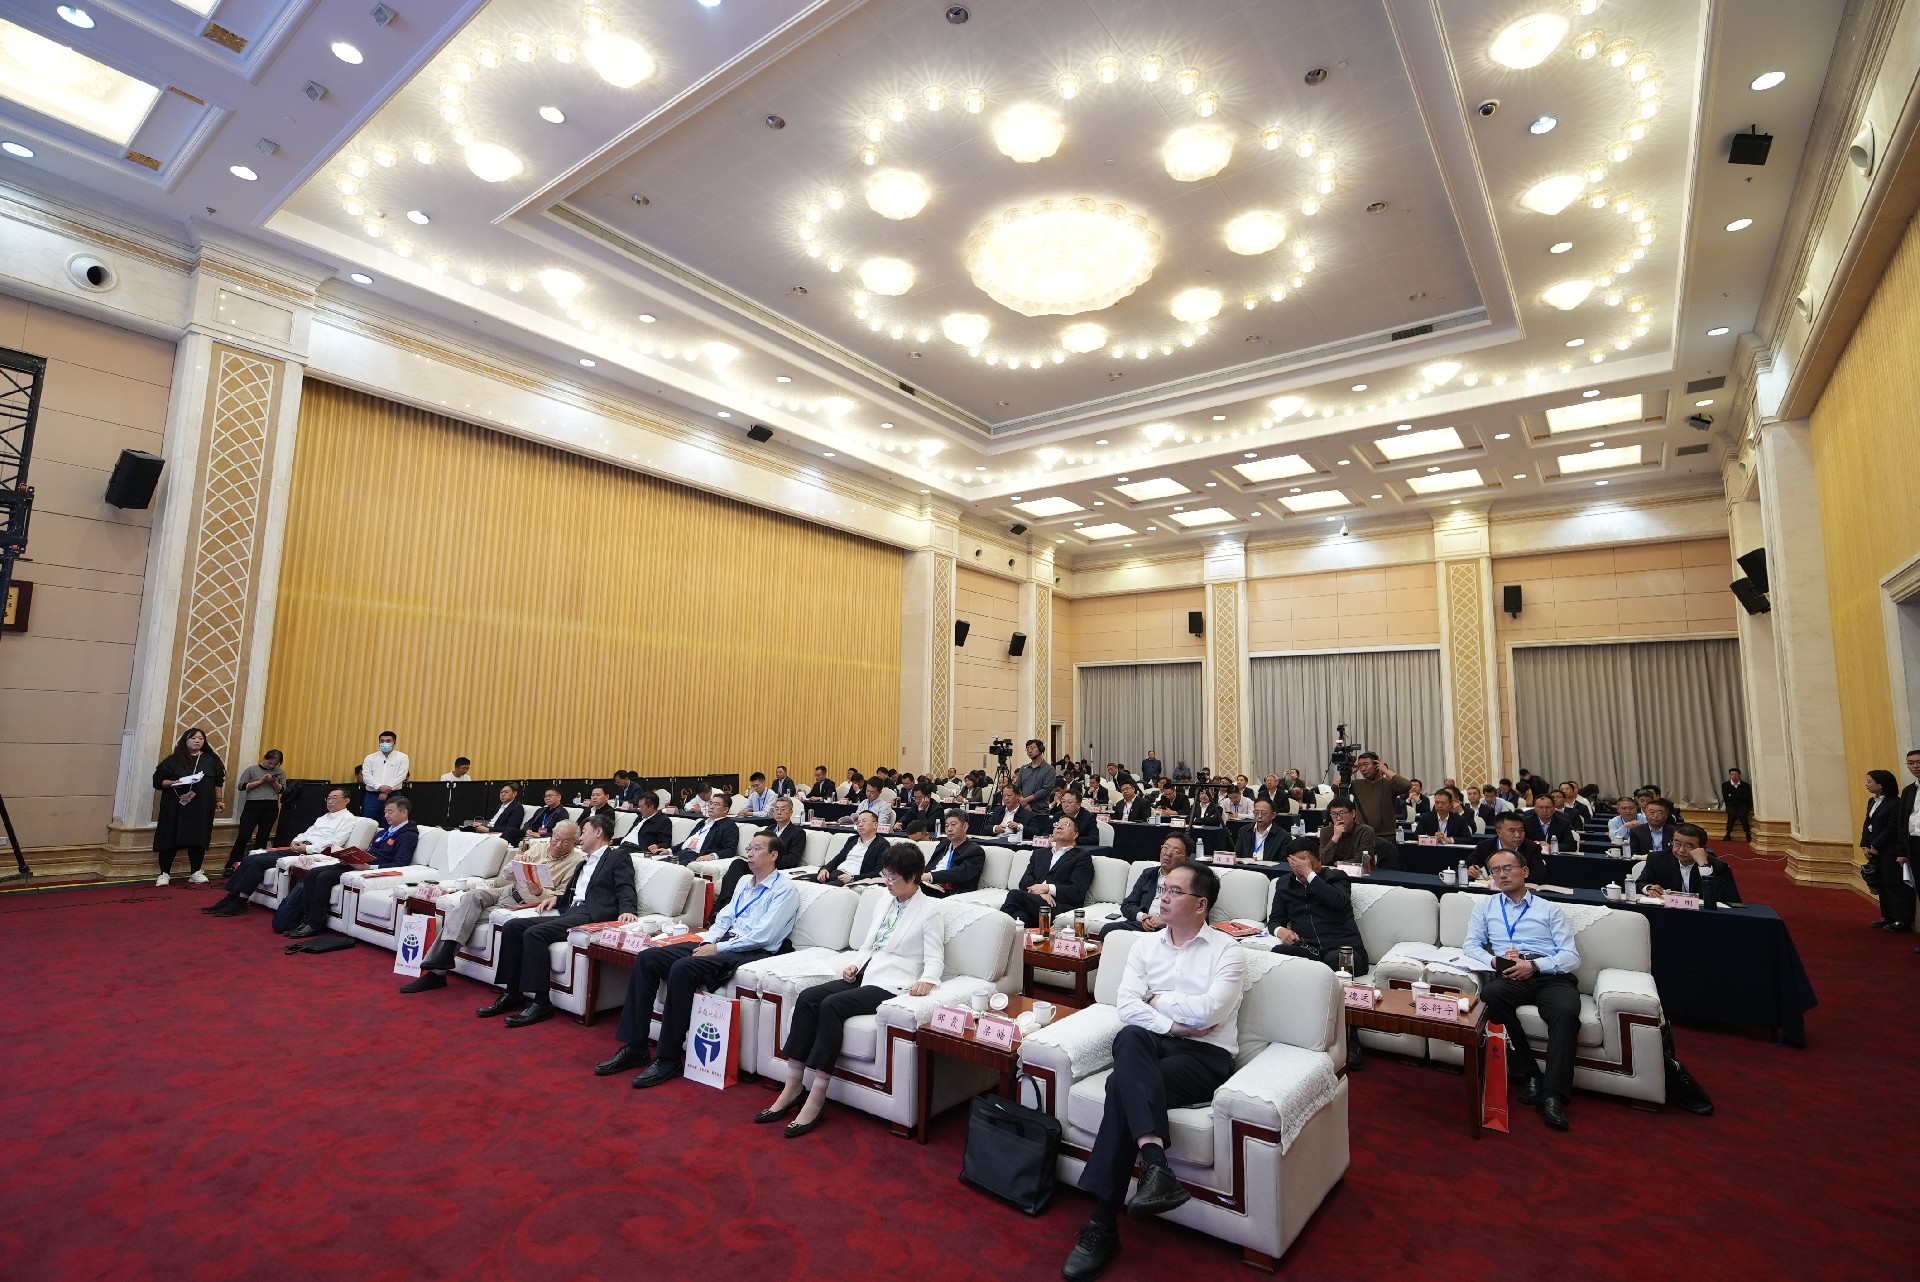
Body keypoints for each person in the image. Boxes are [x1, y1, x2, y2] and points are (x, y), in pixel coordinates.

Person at [1060, 863, 1243, 1281]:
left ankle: (1103, 1222)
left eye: (1175, 891)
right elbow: (1126, 1006)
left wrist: (1157, 1001)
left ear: (1201, 904)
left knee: (1120, 1083)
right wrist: (1173, 1024)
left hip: (1205, 1056)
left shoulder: (1227, 951)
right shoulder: (1144, 947)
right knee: (1128, 1037)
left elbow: (1209, 1012)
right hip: (1156, 1042)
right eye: (1164, 889)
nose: (1163, 897)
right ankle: (1155, 1166)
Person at [761, 842, 945, 1136]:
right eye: (885, 875)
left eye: (893, 878)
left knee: (832, 1005)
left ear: (913, 877)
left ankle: (817, 1096)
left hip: (893, 983)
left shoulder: (929, 911)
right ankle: (793, 1086)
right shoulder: (884, 900)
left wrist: (929, 980)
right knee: (808, 997)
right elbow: (870, 945)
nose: (887, 883)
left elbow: (935, 957)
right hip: (866, 972)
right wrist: (854, 965)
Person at [601, 831, 801, 1088]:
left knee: (682, 968)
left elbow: (764, 936)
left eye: (757, 849)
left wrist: (718, 948)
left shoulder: (785, 890)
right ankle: (635, 1046)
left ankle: (668, 1058)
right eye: (749, 848)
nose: (750, 853)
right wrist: (709, 942)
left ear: (773, 855)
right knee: (648, 958)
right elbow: (725, 918)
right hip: (723, 942)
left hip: (751, 950)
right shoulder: (744, 882)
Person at [1462, 848, 1582, 1132]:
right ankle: (1529, 1073)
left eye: (1508, 868)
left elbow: (1571, 957)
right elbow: (1471, 945)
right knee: (1491, 996)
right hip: (1508, 973)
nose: (1502, 875)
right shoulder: (1486, 907)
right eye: (1495, 871)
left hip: (1548, 974)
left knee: (1565, 1011)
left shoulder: (1549, 909)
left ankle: (1552, 1095)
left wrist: (1535, 966)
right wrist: (1494, 961)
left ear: (1525, 872)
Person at [479, 814, 638, 1025]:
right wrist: (556, 899)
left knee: (535, 934)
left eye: (585, 832)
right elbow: (576, 893)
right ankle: (512, 993)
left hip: (592, 914)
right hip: (571, 911)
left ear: (598, 832)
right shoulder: (584, 862)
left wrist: (628, 910)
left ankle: (541, 1003)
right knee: (513, 927)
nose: (581, 837)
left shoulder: (617, 856)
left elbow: (625, 886)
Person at [402, 820, 586, 992]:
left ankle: (437, 970)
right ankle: (444, 958)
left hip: (525, 903)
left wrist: (540, 892)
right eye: (556, 838)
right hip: (508, 890)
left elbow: (562, 898)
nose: (558, 844)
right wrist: (515, 864)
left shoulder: (577, 862)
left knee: (461, 915)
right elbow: (505, 876)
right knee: (472, 896)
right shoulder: (539, 847)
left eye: (565, 842)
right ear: (552, 835)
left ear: (575, 842)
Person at [204, 785, 360, 917]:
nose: (330, 801)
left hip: (314, 853)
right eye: (328, 798)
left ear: (346, 800)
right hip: (300, 848)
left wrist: (306, 848)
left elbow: (335, 843)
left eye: (334, 798)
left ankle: (240, 902)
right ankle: (231, 897)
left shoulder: (347, 818)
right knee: (250, 858)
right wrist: (296, 841)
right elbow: (307, 832)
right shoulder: (324, 817)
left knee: (259, 861)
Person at [285, 795, 418, 940]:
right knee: (313, 873)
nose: (386, 815)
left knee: (324, 877)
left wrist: (369, 867)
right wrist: (349, 857)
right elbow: (370, 852)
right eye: (385, 812)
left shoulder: (408, 835)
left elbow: (401, 863)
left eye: (390, 812)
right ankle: (306, 920)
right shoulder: (383, 832)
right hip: (358, 863)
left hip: (371, 869)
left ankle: (315, 923)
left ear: (404, 812)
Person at [1266, 838, 1367, 973]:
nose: (1303, 870)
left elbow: (1338, 901)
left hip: (1345, 950)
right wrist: (1281, 931)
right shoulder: (1284, 885)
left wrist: (1309, 874)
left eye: (1309, 865)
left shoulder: (1337, 877)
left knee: (1334, 960)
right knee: (1278, 953)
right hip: (1310, 951)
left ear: (1319, 861)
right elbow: (1274, 920)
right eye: (1298, 866)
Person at [153, 726, 226, 886]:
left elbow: (218, 782)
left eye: (200, 738)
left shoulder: (211, 760)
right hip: (175, 806)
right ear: (185, 741)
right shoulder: (173, 760)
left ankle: (195, 872)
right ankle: (164, 873)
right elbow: (157, 781)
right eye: (193, 738)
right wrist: (172, 782)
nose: (197, 741)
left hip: (202, 806)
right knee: (170, 836)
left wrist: (219, 800)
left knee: (198, 837)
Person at [1000, 815, 1096, 928]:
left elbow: (1077, 891)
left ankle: (995, 930)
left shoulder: (1082, 857)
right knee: (1020, 916)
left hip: (1059, 905)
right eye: (1057, 824)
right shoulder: (1039, 854)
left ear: (1076, 834)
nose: (1059, 827)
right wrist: (1040, 893)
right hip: (1035, 901)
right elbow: (1024, 882)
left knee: (1014, 894)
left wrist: (1048, 888)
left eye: (1066, 825)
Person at [713, 796, 806, 908]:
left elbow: (793, 859)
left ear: (791, 812)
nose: (778, 812)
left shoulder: (798, 832)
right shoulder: (769, 829)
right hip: (759, 865)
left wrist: (767, 860)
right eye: (776, 809)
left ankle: (725, 906)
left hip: (773, 868)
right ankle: (724, 904)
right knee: (737, 863)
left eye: (783, 809)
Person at [1103, 834, 1191, 939]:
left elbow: (1193, 914)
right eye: (1165, 847)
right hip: (1146, 925)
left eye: (1176, 851)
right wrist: (1143, 917)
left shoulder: (1190, 880)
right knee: (1107, 930)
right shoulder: (1148, 874)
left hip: (1171, 929)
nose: (1168, 853)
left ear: (1185, 859)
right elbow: (1127, 905)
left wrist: (1166, 922)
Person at [1639, 823, 1742, 906]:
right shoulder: (1657, 859)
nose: (1681, 850)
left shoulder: (1718, 866)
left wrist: (1704, 867)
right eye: (1677, 843)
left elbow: (1731, 899)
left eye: (1688, 846)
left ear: (1702, 849)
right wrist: (1649, 888)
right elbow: (1640, 883)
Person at [1862, 768, 1909, 932]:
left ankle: (1901, 920)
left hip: (1889, 850)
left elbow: (1892, 828)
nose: (1866, 784)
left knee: (1894, 884)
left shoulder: (1895, 803)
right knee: (1882, 883)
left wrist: (1876, 846)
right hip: (1875, 850)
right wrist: (1865, 845)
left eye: (1869, 781)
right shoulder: (1872, 801)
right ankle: (1887, 916)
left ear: (1881, 785)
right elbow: (1867, 824)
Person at [225, 749, 284, 873]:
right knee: (243, 836)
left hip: (271, 806)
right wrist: (260, 781)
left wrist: (274, 782)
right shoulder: (252, 769)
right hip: (253, 805)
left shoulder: (280, 772)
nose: (272, 766)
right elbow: (241, 786)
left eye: (275, 764)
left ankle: (255, 866)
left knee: (262, 837)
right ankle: (233, 864)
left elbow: (282, 790)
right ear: (265, 758)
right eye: (270, 763)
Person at [1346, 753, 1412, 837]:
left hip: (1387, 836)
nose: (1362, 769)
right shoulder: (1357, 784)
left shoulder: (1389, 784)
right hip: (1362, 835)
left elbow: (1407, 785)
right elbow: (1335, 787)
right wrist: (1349, 772)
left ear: (1376, 765)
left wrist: (1385, 770)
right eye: (1360, 766)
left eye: (1366, 765)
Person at [922, 809, 985, 897]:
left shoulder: (975, 851)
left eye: (953, 825)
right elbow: (930, 865)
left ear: (965, 827)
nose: (949, 829)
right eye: (946, 826)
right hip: (930, 884)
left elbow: (960, 873)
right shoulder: (944, 844)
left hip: (950, 891)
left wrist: (930, 876)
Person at [817, 810, 889, 885]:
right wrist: (825, 869)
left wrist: (853, 878)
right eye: (858, 822)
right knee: (808, 880)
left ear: (875, 825)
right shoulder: (852, 840)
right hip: (835, 874)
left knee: (823, 889)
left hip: (848, 879)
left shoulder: (882, 844)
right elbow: (837, 859)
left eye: (864, 821)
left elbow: (878, 872)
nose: (860, 824)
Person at [1469, 812, 1544, 881]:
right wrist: (1470, 871)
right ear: (1499, 832)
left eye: (1521, 830)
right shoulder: (1485, 846)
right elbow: (1467, 866)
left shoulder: (1532, 848)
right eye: (1512, 831)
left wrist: (1508, 880)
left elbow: (1539, 875)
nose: (1518, 835)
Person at [675, 793, 740, 865]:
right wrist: (669, 850)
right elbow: (689, 841)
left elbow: (730, 850)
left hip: (695, 857)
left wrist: (711, 856)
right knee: (665, 863)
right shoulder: (702, 822)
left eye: (716, 804)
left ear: (725, 809)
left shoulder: (729, 825)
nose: (711, 807)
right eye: (710, 803)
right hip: (681, 854)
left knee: (671, 867)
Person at [360, 731, 410, 820]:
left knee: (390, 822)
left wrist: (386, 791)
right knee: (370, 822)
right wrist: (379, 787)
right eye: (382, 741)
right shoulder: (370, 757)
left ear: (394, 743)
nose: (384, 743)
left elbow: (401, 776)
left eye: (388, 741)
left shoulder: (402, 757)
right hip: (372, 796)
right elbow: (366, 776)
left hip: (393, 795)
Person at [1318, 797, 1378, 869]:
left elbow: (1361, 860)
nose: (1338, 818)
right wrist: (1335, 838)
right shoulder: (1325, 832)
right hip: (1335, 874)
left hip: (1361, 873)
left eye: (1342, 813)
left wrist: (1337, 864)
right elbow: (1322, 861)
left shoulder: (1365, 831)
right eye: (1334, 814)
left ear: (1353, 813)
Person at [616, 790, 675, 858]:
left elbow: (666, 842)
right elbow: (630, 835)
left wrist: (658, 846)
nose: (639, 809)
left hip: (636, 849)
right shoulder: (640, 817)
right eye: (639, 807)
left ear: (651, 807)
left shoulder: (662, 820)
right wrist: (613, 841)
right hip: (623, 846)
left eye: (642, 807)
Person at [1901, 749, 1920, 951]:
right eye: (1911, 763)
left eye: (1918, 762)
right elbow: (1903, 822)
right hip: (1914, 845)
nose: (1915, 766)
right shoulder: (1909, 791)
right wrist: (1902, 851)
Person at [1721, 768, 1754, 842]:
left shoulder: (1746, 785)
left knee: (1742, 815)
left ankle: (1747, 833)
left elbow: (1747, 797)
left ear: (1739, 775)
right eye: (1732, 774)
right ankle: (1728, 833)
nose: (1734, 776)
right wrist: (1739, 796)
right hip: (1731, 805)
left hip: (1743, 805)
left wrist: (1732, 795)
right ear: (1730, 775)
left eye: (1736, 774)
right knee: (1732, 815)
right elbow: (1726, 798)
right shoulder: (1725, 785)